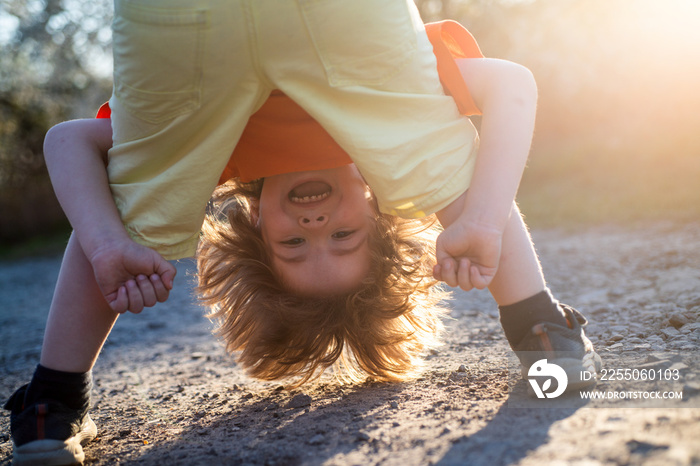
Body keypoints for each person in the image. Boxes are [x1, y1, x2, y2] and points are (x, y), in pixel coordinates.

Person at [4, 18, 601, 466]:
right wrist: (484, 223)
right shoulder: (396, 128)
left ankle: (51, 400)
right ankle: (539, 329)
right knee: (433, 171)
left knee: (136, 215)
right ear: (374, 210)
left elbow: (67, 140)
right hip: (340, 22)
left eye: (293, 248)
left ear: (256, 224)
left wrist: (109, 247)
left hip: (183, 23)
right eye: (345, 238)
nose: (316, 231)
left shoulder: (212, 156)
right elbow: (512, 84)